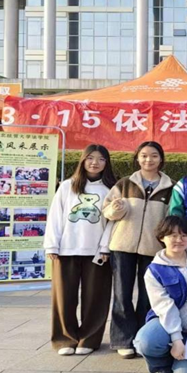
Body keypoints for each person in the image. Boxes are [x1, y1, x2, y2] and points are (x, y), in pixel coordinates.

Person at [100, 141, 174, 359]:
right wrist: (115, 209)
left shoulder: (170, 186)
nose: (148, 160)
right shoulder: (124, 184)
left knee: (148, 296)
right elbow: (106, 211)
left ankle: (143, 338)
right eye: (144, 156)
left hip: (153, 248)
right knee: (122, 295)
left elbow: (172, 217)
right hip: (122, 246)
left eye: (154, 156)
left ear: (161, 159)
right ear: (137, 158)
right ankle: (123, 340)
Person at [44, 144, 116, 356]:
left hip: (97, 252)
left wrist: (105, 247)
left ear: (106, 163)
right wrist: (52, 244)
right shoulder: (68, 186)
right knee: (63, 297)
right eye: (90, 158)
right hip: (66, 249)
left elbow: (113, 222)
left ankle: (89, 339)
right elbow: (55, 216)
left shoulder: (111, 189)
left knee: (96, 297)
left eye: (101, 159)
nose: (95, 163)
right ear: (83, 160)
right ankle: (64, 339)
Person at [133, 215, 187, 373]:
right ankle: (162, 364)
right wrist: (176, 338)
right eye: (173, 235)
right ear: (162, 237)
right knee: (146, 341)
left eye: (184, 235)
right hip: (168, 322)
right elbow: (164, 307)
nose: (179, 240)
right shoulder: (155, 270)